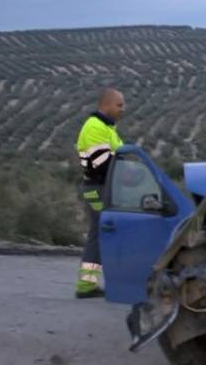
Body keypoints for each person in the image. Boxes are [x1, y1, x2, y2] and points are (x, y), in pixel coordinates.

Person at [74, 88, 125, 299]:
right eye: (119, 105)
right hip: (98, 188)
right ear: (106, 105)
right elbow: (102, 166)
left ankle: (88, 284)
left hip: (102, 187)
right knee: (100, 234)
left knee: (99, 234)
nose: (123, 109)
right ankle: (88, 285)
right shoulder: (95, 128)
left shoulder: (107, 128)